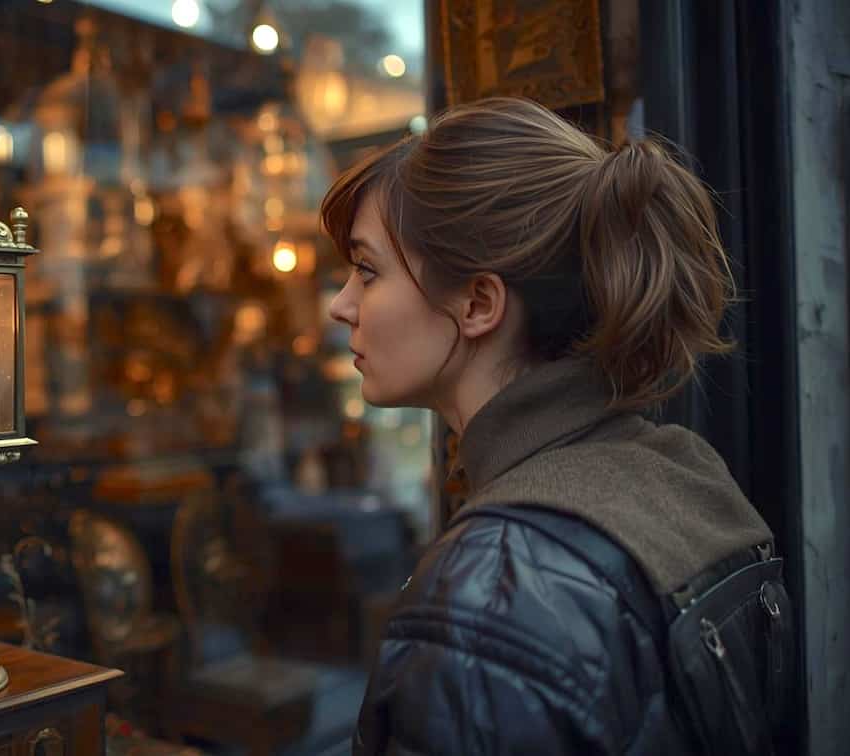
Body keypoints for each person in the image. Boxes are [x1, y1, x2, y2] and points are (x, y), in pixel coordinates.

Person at [324, 97, 792, 755]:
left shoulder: (490, 590)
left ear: (478, 303)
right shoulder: (679, 471)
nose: (341, 304)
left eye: (368, 269)